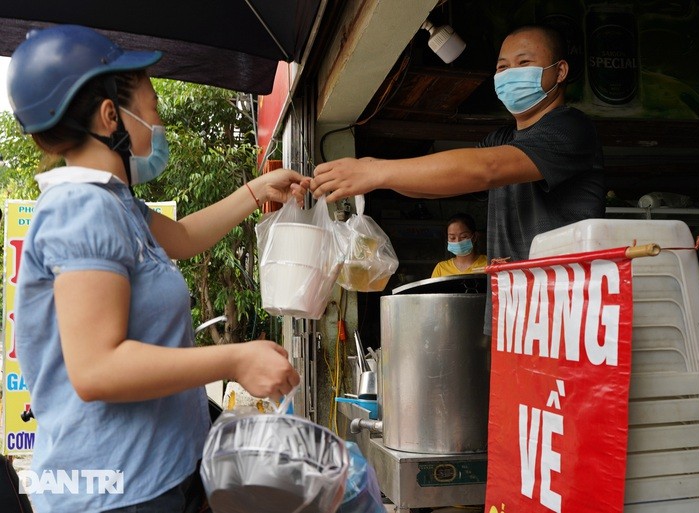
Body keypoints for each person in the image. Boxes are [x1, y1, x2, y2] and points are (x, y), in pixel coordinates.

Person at [7, 25, 307, 513]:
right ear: (111, 118)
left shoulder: (116, 203)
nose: (159, 126)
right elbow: (97, 368)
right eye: (154, 112)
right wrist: (234, 359)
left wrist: (258, 190)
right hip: (118, 494)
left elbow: (184, 237)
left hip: (158, 475)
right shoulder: (81, 209)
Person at [311, 25, 605, 334]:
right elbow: (437, 185)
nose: (509, 74)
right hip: (513, 311)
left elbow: (484, 169)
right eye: (502, 67)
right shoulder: (501, 139)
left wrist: (379, 170)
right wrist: (375, 176)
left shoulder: (570, 128)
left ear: (560, 71)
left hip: (565, 313)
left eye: (524, 63)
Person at [431, 213, 487, 278]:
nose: (458, 241)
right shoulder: (441, 268)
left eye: (463, 236)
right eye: (452, 238)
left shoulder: (489, 264)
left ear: (474, 237)